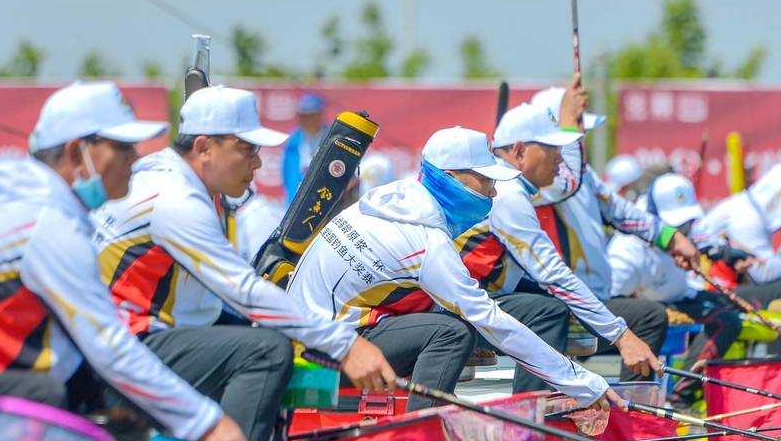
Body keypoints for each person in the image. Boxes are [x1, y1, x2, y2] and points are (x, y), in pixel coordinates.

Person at [94, 85, 394, 441]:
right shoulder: (176, 199)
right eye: (246, 149)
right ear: (204, 147)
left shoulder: (165, 175)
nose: (257, 162)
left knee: (270, 339)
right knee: (266, 352)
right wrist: (345, 345)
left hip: (122, 343)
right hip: (117, 356)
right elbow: (244, 292)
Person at [0, 80, 249, 441]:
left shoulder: (35, 198)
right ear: (77, 152)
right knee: (53, 397)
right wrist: (207, 424)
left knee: (100, 398)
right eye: (122, 147)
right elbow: (109, 345)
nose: (135, 158)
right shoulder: (49, 222)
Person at [287, 126, 618, 410]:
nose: (494, 192)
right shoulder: (427, 241)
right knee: (452, 333)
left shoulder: (392, 198)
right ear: (450, 177)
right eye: (485, 180)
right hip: (328, 354)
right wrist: (585, 385)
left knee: (453, 319)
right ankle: (421, 436)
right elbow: (492, 321)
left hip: (309, 335)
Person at [457, 89, 660, 389]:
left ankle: (552, 400)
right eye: (552, 148)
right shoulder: (508, 194)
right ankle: (530, 412)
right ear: (519, 151)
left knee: (551, 304)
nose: (561, 158)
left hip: (467, 300)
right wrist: (622, 336)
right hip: (452, 309)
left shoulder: (510, 188)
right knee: (549, 311)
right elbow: (553, 274)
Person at [527, 83, 701, 377]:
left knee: (647, 316)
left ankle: (631, 402)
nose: (582, 137)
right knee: (649, 317)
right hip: (561, 301)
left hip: (592, 298)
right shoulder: (543, 180)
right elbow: (566, 186)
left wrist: (671, 238)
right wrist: (568, 123)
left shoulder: (582, 172)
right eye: (577, 128)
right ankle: (633, 405)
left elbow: (618, 209)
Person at [608, 173, 747, 405]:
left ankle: (682, 396)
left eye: (686, 224)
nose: (684, 230)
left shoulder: (685, 228)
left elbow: (702, 236)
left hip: (680, 295)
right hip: (648, 310)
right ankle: (647, 406)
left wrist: (722, 252)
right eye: (677, 226)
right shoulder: (626, 250)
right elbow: (612, 302)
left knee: (729, 317)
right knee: (652, 317)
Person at [694, 159, 781, 308]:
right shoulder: (747, 216)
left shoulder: (749, 209)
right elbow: (763, 272)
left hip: (724, 285)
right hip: (708, 290)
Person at [281, 93, 327, 202]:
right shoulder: (293, 141)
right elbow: (288, 175)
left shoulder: (331, 138)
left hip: (324, 197)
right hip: (297, 198)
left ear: (320, 114)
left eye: (312, 115)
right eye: (304, 116)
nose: (308, 120)